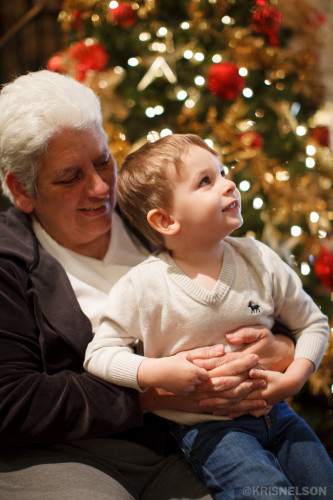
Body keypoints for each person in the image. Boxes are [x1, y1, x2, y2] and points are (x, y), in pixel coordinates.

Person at [0, 71, 295, 500]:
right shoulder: (9, 263)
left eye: (103, 160)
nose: (101, 188)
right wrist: (152, 392)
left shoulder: (160, 214)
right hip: (68, 452)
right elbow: (11, 402)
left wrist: (278, 351)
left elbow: (273, 301)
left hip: (198, 439)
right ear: (21, 190)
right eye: (70, 177)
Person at [84, 133, 333, 500]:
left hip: (278, 412)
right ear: (166, 220)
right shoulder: (143, 286)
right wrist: (158, 372)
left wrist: (294, 378)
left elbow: (312, 323)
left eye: (222, 171)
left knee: (323, 486)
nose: (228, 183)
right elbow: (99, 355)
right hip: (212, 430)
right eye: (206, 181)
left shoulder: (258, 259)